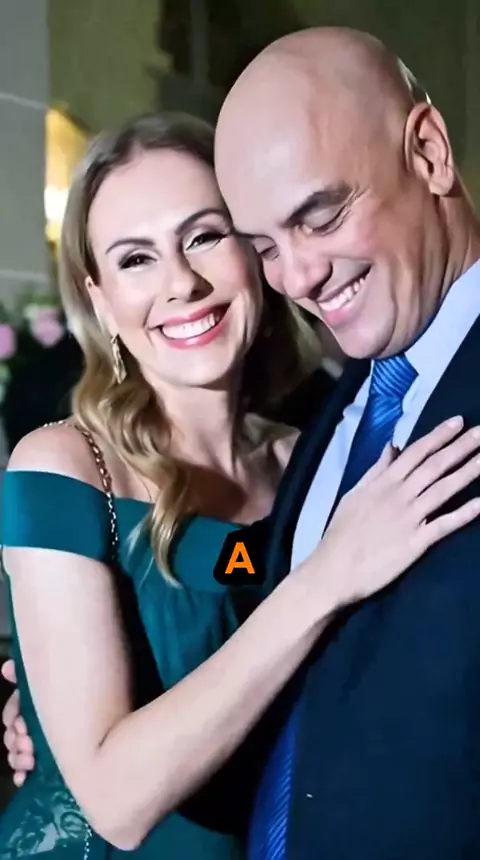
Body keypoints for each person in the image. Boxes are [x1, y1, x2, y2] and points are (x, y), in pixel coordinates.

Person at [2, 105, 480, 860]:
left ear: (258, 251)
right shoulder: (61, 466)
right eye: (136, 259)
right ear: (99, 300)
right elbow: (116, 803)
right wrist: (325, 580)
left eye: (204, 236)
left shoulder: (311, 459)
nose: (182, 284)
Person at [211, 27, 480, 859]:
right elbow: (257, 573)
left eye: (321, 216)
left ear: (429, 152)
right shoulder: (323, 414)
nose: (296, 278)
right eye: (264, 248)